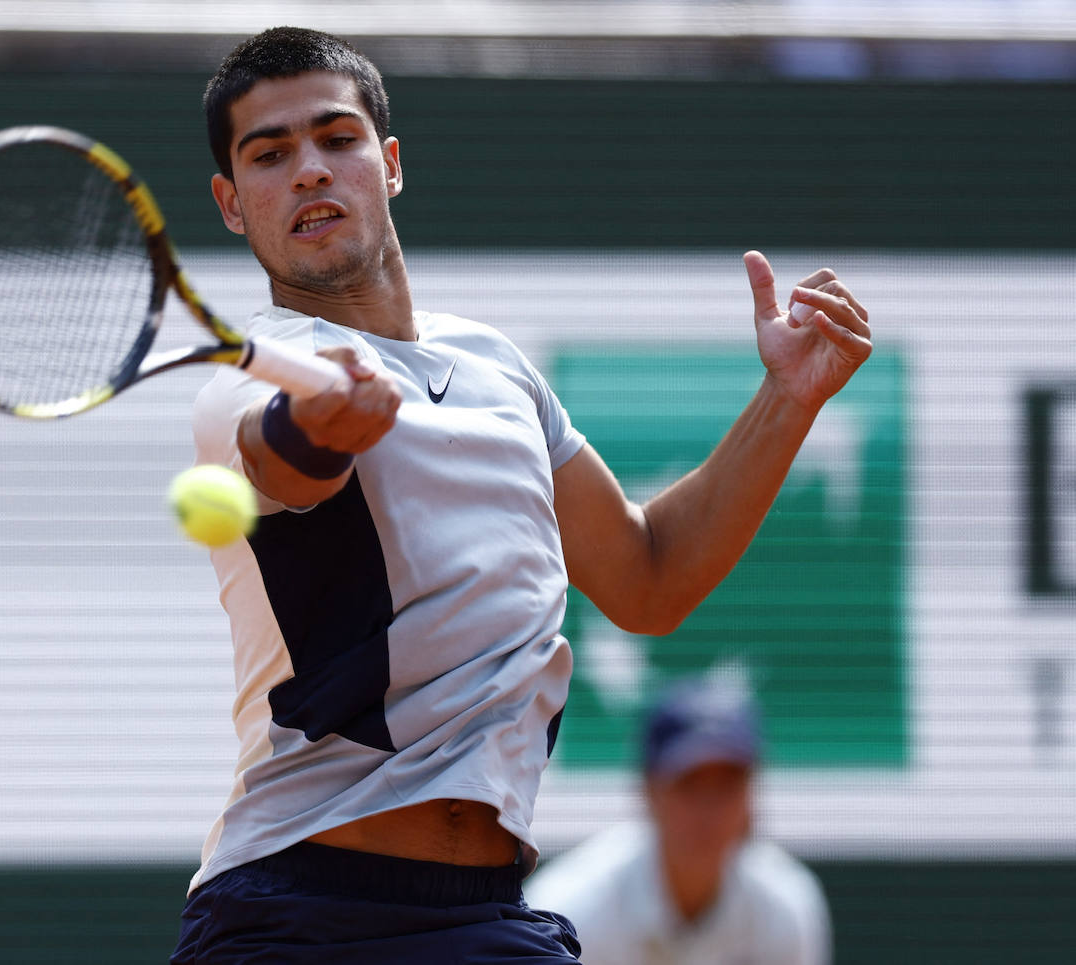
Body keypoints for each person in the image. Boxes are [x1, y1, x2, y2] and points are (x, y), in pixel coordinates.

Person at [172, 25, 871, 964]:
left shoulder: (497, 367)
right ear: (230, 202)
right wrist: (327, 425)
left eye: (336, 140)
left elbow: (650, 577)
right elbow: (282, 459)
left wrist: (787, 401)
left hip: (484, 913)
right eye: (270, 153)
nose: (308, 170)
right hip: (296, 910)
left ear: (388, 164)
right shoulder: (255, 380)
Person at [525, 675, 833, 964]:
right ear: (649, 791)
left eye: (728, 785)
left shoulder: (787, 908)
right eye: (690, 784)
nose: (710, 809)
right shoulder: (570, 912)